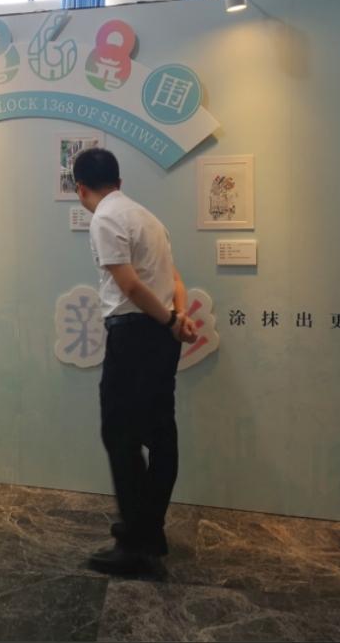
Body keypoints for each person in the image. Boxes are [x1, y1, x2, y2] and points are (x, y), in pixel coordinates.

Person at [72, 147, 197, 575]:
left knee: (119, 435)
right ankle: (150, 533)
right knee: (160, 434)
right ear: (120, 181)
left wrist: (170, 320)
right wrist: (178, 318)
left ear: (80, 189)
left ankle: (135, 543)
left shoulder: (106, 218)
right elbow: (175, 280)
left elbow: (129, 286)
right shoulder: (148, 218)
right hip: (160, 336)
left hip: (134, 335)